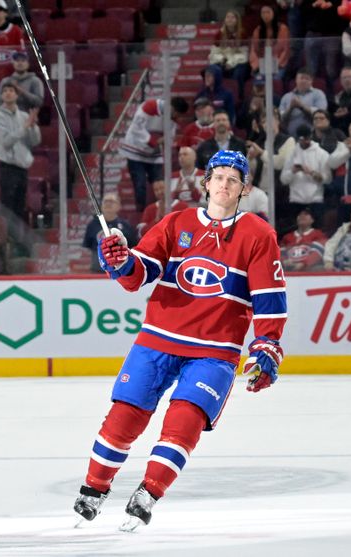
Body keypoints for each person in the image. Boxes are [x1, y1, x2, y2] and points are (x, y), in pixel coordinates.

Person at [72, 150, 286, 531]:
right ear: (206, 183)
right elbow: (138, 273)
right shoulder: (177, 223)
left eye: (233, 180)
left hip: (214, 351)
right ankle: (94, 487)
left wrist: (267, 345)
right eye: (218, 177)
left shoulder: (257, 233)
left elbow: (269, 298)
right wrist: (120, 261)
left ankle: (149, 492)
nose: (224, 184)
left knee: (185, 419)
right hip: (158, 340)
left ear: (244, 189)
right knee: (124, 416)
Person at [119, 96, 189, 211]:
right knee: (140, 185)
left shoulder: (173, 117)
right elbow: (136, 128)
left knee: (160, 185)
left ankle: (160, 210)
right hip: (135, 151)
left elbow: (170, 135)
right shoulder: (149, 107)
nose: (177, 117)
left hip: (154, 154)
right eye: (176, 113)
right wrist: (153, 141)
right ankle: (141, 213)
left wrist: (166, 141)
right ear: (171, 108)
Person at [0, 81, 41, 221]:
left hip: (22, 167)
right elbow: (5, 142)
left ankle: (18, 240)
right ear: (1, 95)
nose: (8, 93)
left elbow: (35, 141)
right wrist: (24, 128)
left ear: (16, 95)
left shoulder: (24, 116)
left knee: (20, 207)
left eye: (11, 91)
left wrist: (33, 126)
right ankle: (7, 238)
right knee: (8, 206)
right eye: (5, 91)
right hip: (8, 167)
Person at [280, 123, 331, 224]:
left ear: (310, 137)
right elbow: (283, 179)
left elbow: (328, 179)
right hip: (295, 201)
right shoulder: (292, 154)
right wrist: (293, 171)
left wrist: (312, 173)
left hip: (315, 201)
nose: (305, 141)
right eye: (302, 139)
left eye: (307, 138)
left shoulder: (322, 154)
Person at [82, 193, 137, 273]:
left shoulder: (126, 226)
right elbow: (88, 248)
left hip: (121, 272)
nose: (108, 203)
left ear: (119, 206)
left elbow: (133, 247)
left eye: (111, 201)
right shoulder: (92, 225)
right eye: (106, 201)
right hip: (97, 272)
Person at [207, 10, 249, 100]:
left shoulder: (242, 34)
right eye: (228, 17)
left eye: (232, 17)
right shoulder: (219, 34)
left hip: (237, 62)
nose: (229, 19)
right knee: (214, 70)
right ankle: (215, 96)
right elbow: (214, 53)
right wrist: (223, 60)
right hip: (223, 61)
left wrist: (231, 63)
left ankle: (238, 97)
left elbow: (244, 54)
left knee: (238, 73)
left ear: (237, 20)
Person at [278, 67, 327, 137]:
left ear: (311, 81)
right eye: (301, 78)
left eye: (307, 78)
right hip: (289, 138)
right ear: (296, 80)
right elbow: (280, 119)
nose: (303, 81)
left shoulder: (318, 94)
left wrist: (302, 106)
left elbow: (321, 115)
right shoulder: (286, 97)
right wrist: (290, 108)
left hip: (313, 137)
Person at [248, 3, 290, 81]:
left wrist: (276, 65)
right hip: (262, 65)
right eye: (263, 13)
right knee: (258, 81)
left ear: (274, 13)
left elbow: (285, 50)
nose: (265, 15)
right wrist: (257, 65)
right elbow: (253, 51)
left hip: (277, 65)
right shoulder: (258, 30)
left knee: (275, 80)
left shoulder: (283, 29)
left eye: (268, 12)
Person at [280, 207, 327, 271]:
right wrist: (284, 261)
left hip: (309, 271)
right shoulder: (287, 237)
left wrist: (303, 264)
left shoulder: (318, 234)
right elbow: (280, 253)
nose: (302, 216)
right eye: (299, 214)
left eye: (306, 214)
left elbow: (317, 254)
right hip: (289, 271)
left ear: (312, 220)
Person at [329, 66, 351, 133]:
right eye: (344, 78)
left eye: (350, 77)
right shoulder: (337, 99)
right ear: (341, 81)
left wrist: (348, 114)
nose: (347, 80)